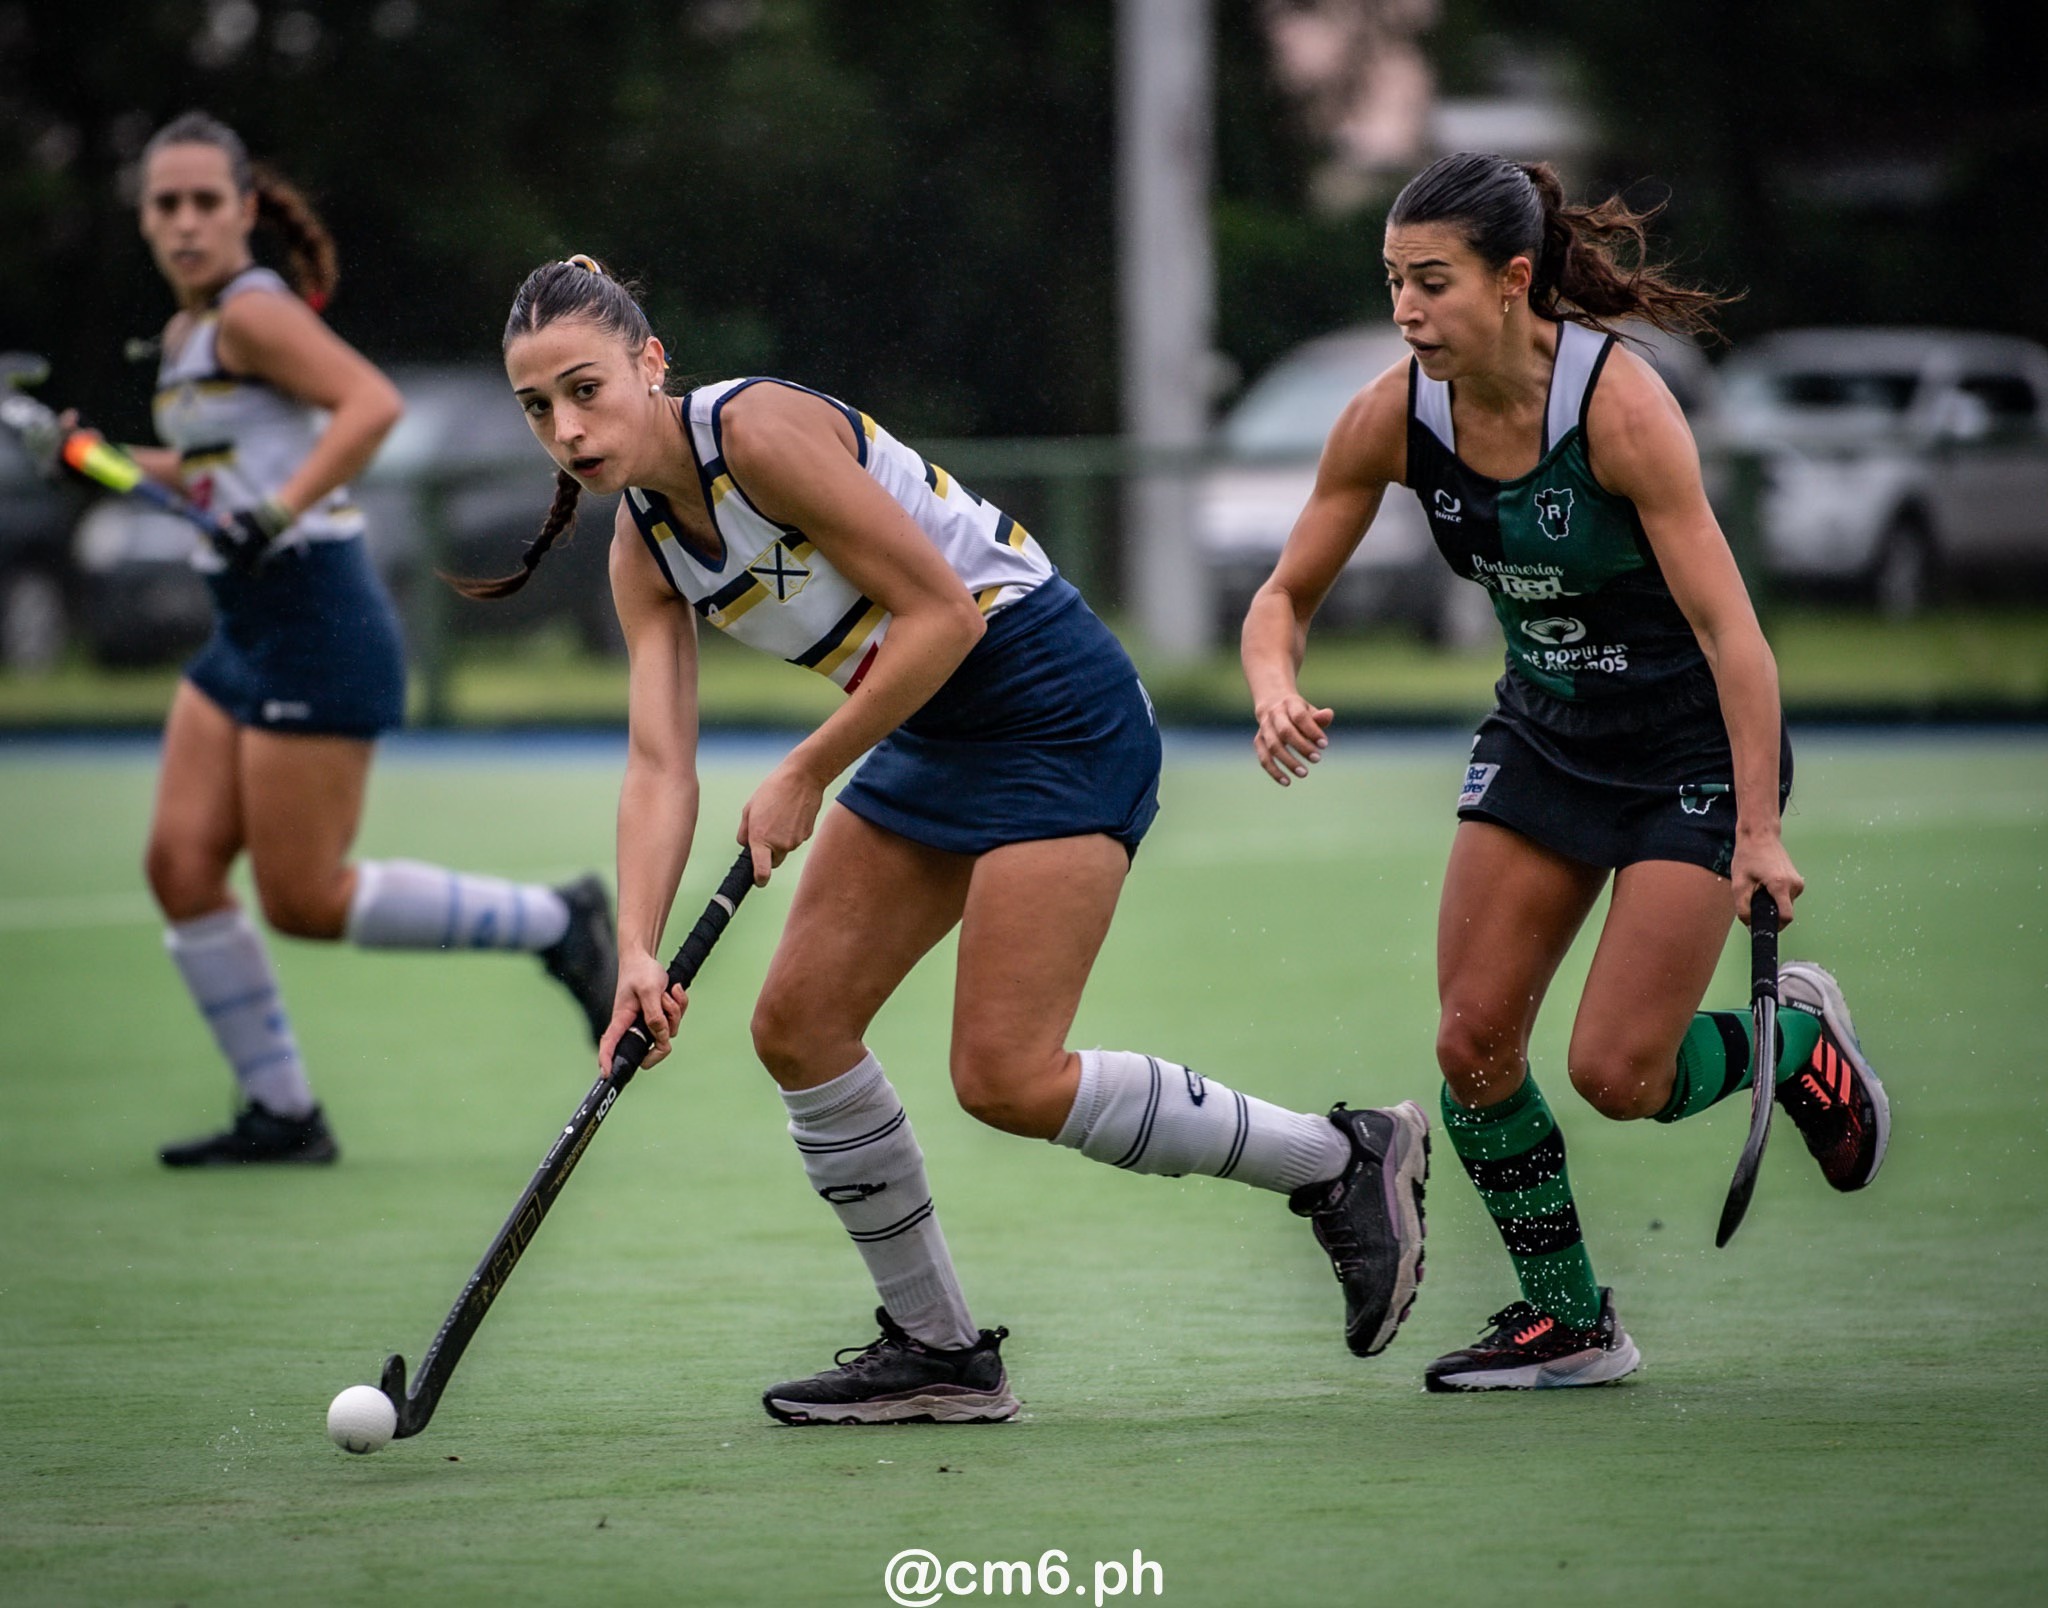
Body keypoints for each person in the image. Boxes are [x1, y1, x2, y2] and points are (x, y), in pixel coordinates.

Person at [462, 254, 1430, 1425]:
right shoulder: (644, 551)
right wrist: (635, 953)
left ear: (649, 363)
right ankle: (938, 1350)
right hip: (929, 719)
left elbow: (943, 613)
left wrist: (807, 771)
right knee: (799, 1028)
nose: (567, 428)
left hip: (1047, 699)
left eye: (585, 389)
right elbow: (657, 765)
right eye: (537, 408)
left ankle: (1338, 1158)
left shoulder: (755, 433)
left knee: (1007, 1078)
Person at [1241, 152, 1889, 1392]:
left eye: (1430, 283)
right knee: (1471, 1046)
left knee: (1616, 1075)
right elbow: (1279, 599)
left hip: (1687, 751)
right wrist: (1273, 687)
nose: (1405, 310)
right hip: (1544, 734)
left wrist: (1757, 831)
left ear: (1512, 281)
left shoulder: (1618, 408)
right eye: (1391, 282)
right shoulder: (1391, 415)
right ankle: (1570, 1321)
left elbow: (1732, 638)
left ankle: (1793, 1033)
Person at [112, 113, 616, 1169]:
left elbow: (367, 405)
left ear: (245, 211)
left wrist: (282, 505)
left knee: (304, 898)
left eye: (207, 200)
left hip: (313, 619)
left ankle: (554, 921)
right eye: (168, 204)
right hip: (245, 623)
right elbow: (210, 474)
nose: (187, 221)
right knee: (181, 864)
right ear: (147, 217)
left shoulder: (251, 312)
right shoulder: (184, 336)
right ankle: (282, 1113)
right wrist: (88, 452)